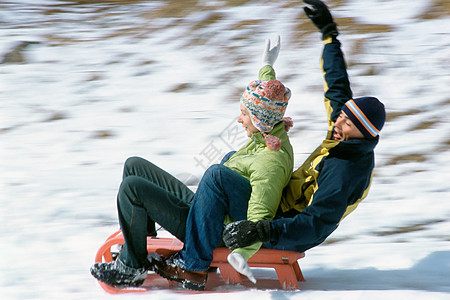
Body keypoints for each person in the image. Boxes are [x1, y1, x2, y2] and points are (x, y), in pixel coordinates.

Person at [90, 37, 294, 291]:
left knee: (133, 187)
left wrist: (242, 251)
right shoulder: (268, 131)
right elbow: (268, 98)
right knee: (135, 165)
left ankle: (131, 268)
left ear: (260, 119)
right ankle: (138, 243)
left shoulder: (270, 161)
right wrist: (267, 65)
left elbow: (259, 216)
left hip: (211, 231)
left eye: (244, 114)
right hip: (207, 210)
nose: (239, 120)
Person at [223, 0, 386, 257]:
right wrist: (329, 34)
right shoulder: (343, 131)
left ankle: (197, 245)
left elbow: (316, 224)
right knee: (231, 162)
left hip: (289, 228)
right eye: (341, 116)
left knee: (220, 178)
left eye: (347, 123)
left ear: (363, 134)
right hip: (281, 207)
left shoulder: (347, 170)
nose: (338, 124)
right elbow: (337, 83)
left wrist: (263, 230)